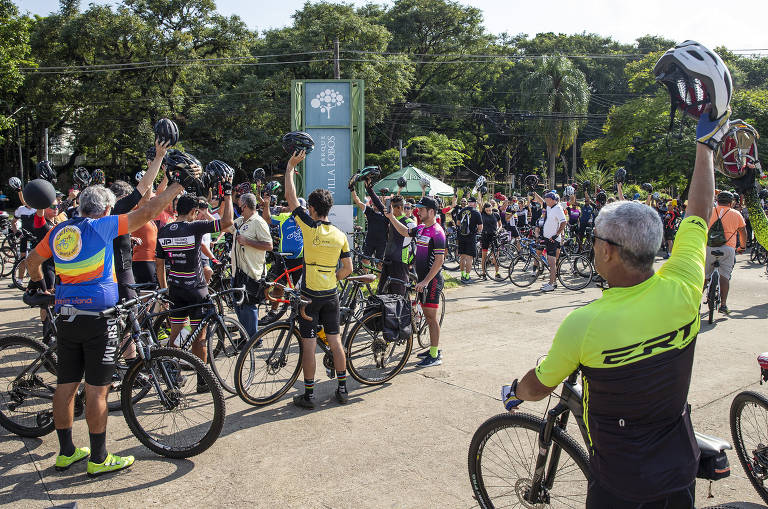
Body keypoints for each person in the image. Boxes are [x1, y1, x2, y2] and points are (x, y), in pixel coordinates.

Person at [500, 109, 725, 507]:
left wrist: (513, 391)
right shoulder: (685, 284)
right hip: (677, 466)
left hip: (621, 478)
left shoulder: (584, 323)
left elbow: (538, 387)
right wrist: (705, 146)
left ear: (606, 250)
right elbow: (699, 212)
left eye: (595, 239)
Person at [23, 168, 184, 477]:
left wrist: (37, 285)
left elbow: (32, 262)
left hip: (67, 316)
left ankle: (67, 452)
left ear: (81, 206)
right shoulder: (102, 227)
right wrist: (177, 184)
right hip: (99, 320)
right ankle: (98, 458)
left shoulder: (60, 231)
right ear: (106, 209)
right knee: (98, 391)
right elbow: (149, 210)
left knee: (66, 386)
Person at [285, 150, 353, 408]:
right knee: (335, 342)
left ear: (311, 209)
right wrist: (332, 277)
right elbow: (348, 268)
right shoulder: (340, 234)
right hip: (331, 294)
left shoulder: (309, 226)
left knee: (309, 346)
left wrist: (291, 168)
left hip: (309, 296)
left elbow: (291, 200)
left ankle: (310, 395)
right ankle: (343, 390)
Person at [156, 189, 233, 388]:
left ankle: (174, 377)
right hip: (197, 289)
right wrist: (228, 195)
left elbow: (159, 265)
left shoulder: (164, 230)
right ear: (192, 211)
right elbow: (227, 223)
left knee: (176, 334)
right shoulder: (194, 227)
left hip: (175, 289)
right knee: (200, 337)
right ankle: (203, 381)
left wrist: (165, 291)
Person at [385, 196, 445, 366]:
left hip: (431, 280)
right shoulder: (420, 228)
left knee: (431, 317)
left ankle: (435, 354)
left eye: (422, 209)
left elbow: (439, 261)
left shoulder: (437, 232)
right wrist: (392, 217)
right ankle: (432, 348)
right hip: (421, 279)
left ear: (431, 212)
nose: (418, 211)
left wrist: (425, 281)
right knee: (424, 314)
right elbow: (404, 232)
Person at [110, 139, 171, 302]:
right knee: (143, 301)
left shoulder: (115, 217)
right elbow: (145, 195)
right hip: (135, 263)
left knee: (145, 301)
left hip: (141, 260)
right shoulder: (128, 212)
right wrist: (158, 162)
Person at [227, 193, 273, 337]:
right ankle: (245, 338)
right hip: (237, 273)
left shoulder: (258, 222)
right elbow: (225, 226)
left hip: (251, 273)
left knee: (249, 307)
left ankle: (253, 340)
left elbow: (269, 245)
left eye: (239, 204)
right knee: (239, 307)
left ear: (245, 206)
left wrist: (247, 242)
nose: (238, 207)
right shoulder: (240, 220)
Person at [260, 192, 305, 325]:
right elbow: (267, 219)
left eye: (302, 210)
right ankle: (273, 312)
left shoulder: (308, 220)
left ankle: (298, 312)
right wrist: (266, 205)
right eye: (298, 209)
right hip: (284, 258)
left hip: (299, 259)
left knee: (300, 289)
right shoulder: (285, 217)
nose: (300, 212)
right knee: (279, 286)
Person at [704, 190, 746, 315]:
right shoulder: (736, 214)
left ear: (717, 200)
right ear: (731, 202)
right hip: (728, 249)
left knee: (704, 277)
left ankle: (695, 303)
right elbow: (743, 232)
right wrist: (742, 247)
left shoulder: (709, 211)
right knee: (725, 276)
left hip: (709, 247)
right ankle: (723, 305)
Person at [371, 192, 415, 296]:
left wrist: (412, 262)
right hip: (388, 260)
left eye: (391, 207)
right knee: (381, 293)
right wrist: (369, 189)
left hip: (400, 262)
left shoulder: (410, 223)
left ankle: (408, 311)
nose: (389, 209)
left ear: (399, 207)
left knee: (398, 295)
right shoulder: (390, 217)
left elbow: (413, 242)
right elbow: (379, 204)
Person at [532, 191, 566, 292]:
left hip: (553, 240)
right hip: (547, 238)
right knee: (550, 261)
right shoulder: (549, 207)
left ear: (552, 200)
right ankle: (553, 282)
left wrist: (556, 234)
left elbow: (564, 222)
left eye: (547, 200)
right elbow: (541, 201)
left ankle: (551, 284)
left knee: (552, 263)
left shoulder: (557, 208)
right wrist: (534, 192)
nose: (545, 202)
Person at [351, 179, 389, 266]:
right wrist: (352, 190)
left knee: (380, 264)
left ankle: (380, 279)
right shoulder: (369, 211)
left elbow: (386, 205)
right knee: (365, 261)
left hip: (382, 242)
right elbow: (358, 201)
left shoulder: (386, 213)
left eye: (376, 205)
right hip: (370, 240)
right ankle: (366, 277)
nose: (375, 206)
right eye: (374, 205)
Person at [456, 195, 482, 283]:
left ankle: (462, 275)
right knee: (469, 258)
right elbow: (480, 227)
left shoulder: (462, 210)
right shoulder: (476, 212)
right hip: (470, 236)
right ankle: (467, 277)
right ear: (474, 204)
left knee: (462, 257)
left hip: (461, 236)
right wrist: (477, 231)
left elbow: (458, 223)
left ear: (468, 203)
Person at [479, 202, 501, 279]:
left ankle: (497, 273)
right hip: (485, 236)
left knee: (496, 255)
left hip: (494, 235)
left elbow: (500, 224)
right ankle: (484, 273)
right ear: (484, 210)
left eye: (490, 210)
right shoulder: (482, 214)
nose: (488, 211)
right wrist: (479, 194)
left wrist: (498, 230)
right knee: (484, 256)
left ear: (492, 208)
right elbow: (480, 203)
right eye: (487, 210)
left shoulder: (496, 214)